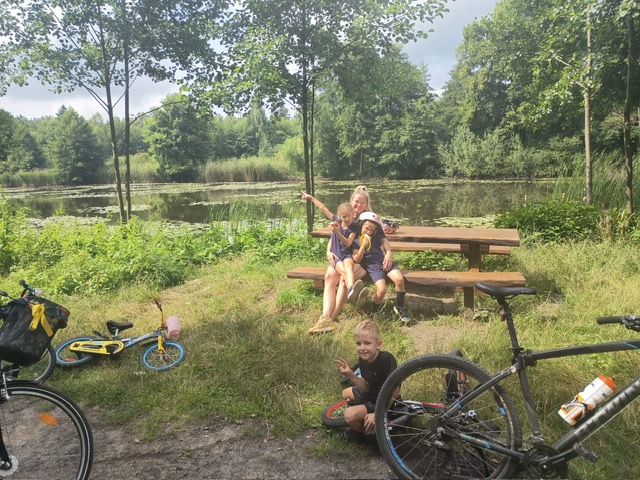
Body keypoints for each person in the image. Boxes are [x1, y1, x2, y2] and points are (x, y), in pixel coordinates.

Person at [307, 186, 390, 334]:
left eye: (363, 202)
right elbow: (333, 236)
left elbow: (382, 239)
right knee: (330, 277)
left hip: (361, 260)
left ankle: (330, 320)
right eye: (356, 201)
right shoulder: (344, 215)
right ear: (351, 201)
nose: (359, 205)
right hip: (342, 255)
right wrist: (328, 251)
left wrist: (388, 253)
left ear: (367, 204)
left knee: (344, 279)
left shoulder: (369, 219)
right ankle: (324, 318)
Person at [336, 320, 397, 437]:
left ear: (378, 344)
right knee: (345, 393)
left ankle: (367, 435)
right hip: (371, 394)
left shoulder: (386, 359)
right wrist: (350, 375)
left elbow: (396, 389)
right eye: (358, 344)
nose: (362, 348)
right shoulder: (363, 360)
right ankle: (363, 416)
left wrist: (378, 413)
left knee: (349, 415)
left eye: (367, 343)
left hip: (382, 400)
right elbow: (366, 387)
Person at [300, 191, 363, 301]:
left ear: (353, 214)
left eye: (349, 216)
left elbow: (348, 243)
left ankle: (351, 290)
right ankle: (353, 292)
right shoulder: (336, 221)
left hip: (347, 254)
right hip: (336, 256)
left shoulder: (354, 227)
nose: (347, 219)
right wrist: (311, 198)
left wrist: (337, 232)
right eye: (344, 217)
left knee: (349, 267)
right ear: (340, 216)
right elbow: (323, 208)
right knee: (344, 271)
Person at [352, 211, 409, 323]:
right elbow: (357, 259)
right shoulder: (355, 240)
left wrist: (388, 254)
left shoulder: (377, 235)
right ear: (361, 225)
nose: (369, 232)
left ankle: (400, 307)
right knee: (382, 289)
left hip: (385, 262)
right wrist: (363, 246)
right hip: (373, 267)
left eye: (372, 230)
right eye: (366, 228)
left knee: (399, 279)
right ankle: (374, 311)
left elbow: (386, 243)